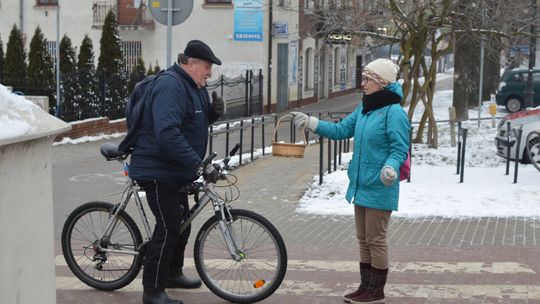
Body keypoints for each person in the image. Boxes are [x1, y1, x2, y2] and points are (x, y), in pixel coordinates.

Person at [291, 58, 410, 304]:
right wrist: (311, 123)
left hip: (380, 184)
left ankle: (377, 292)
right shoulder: (365, 108)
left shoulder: (394, 112)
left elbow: (399, 149)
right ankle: (365, 286)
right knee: (363, 239)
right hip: (360, 182)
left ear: (382, 82)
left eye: (367, 79)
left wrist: (390, 167)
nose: (362, 83)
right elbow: (341, 130)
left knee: (376, 239)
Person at [128, 40, 225, 304]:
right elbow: (167, 132)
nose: (210, 73)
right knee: (169, 226)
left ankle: (172, 273)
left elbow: (191, 122)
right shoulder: (171, 85)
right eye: (207, 67)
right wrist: (198, 163)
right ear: (190, 63)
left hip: (175, 170)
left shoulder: (193, 87)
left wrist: (214, 113)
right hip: (157, 169)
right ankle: (152, 291)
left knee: (182, 224)